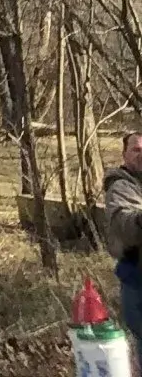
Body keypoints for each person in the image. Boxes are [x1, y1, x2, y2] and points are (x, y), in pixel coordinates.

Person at [104, 131, 142, 348]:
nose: (141, 155)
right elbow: (126, 226)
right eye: (136, 150)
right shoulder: (120, 187)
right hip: (137, 278)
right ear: (124, 155)